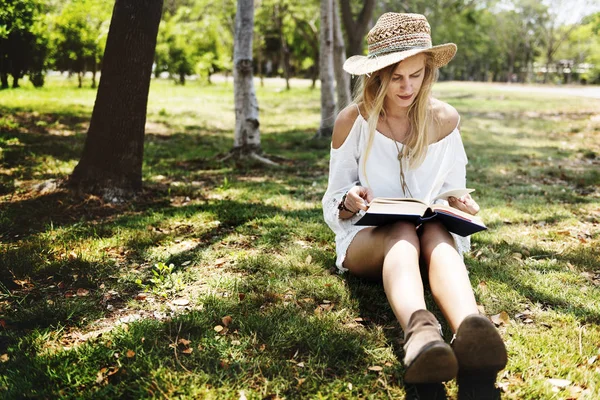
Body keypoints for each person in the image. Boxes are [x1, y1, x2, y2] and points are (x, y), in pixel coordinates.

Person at [321, 13, 507, 385]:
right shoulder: (352, 120)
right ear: (378, 76)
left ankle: (471, 328)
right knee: (402, 228)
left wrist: (462, 204)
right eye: (396, 77)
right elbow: (332, 202)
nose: (407, 87)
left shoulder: (445, 120)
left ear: (428, 72)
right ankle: (421, 335)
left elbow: (454, 189)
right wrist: (350, 200)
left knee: (434, 228)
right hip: (369, 241)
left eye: (416, 75)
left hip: (431, 237)